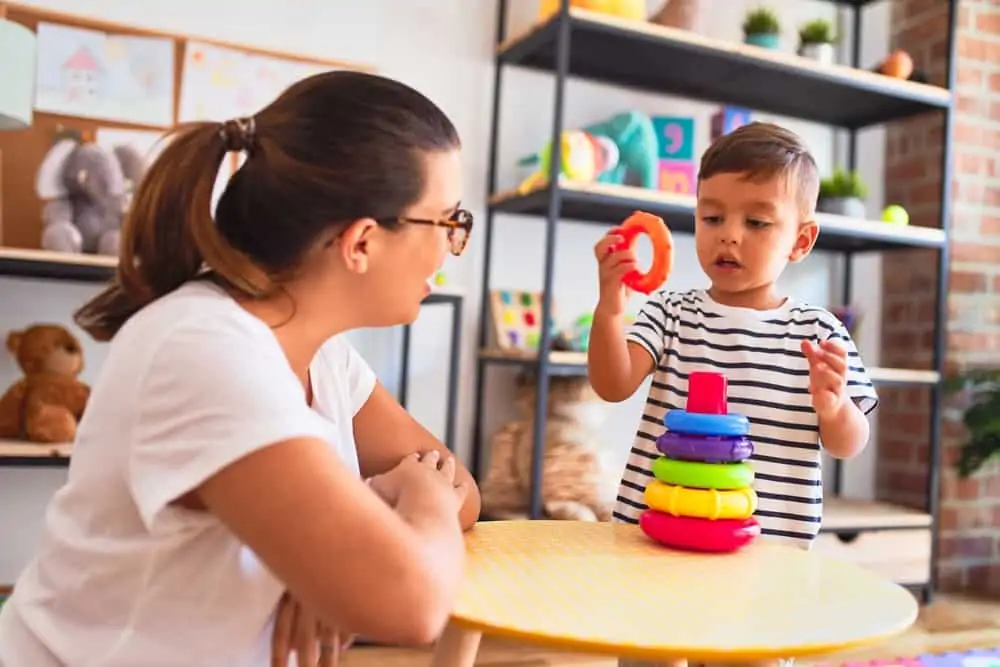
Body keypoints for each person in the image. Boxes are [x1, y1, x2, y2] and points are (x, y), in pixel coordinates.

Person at [0, 70, 481, 667]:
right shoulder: (204, 351)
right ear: (361, 242)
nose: (451, 247)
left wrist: (335, 555)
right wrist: (409, 499)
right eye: (449, 222)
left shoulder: (324, 355)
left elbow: (466, 495)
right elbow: (413, 602)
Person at [587, 122, 879, 667]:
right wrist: (610, 306)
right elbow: (612, 383)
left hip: (765, 559)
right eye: (712, 217)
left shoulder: (820, 333)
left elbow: (849, 442)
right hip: (660, 540)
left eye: (757, 221)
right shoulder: (672, 313)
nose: (729, 235)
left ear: (801, 239)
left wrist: (834, 407)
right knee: (647, 653)